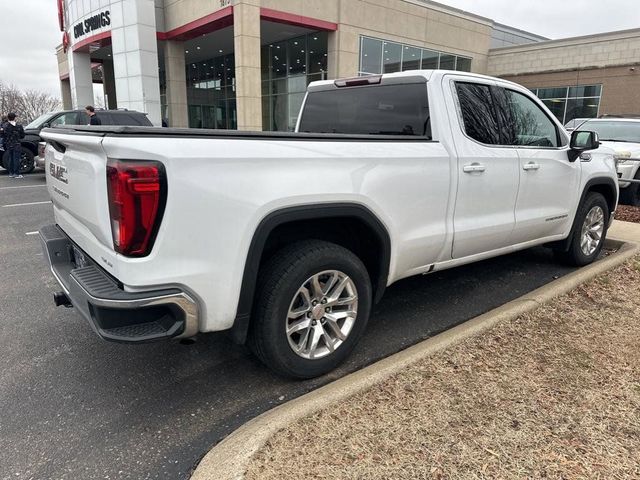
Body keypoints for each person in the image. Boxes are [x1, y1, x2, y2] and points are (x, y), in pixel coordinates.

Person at [3, 113, 25, 179]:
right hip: (17, 144)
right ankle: (16, 173)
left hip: (8, 144)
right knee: (16, 159)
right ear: (14, 118)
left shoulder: (5, 126)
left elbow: (2, 135)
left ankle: (11, 173)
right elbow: (22, 136)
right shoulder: (19, 126)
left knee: (10, 158)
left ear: (8, 118)